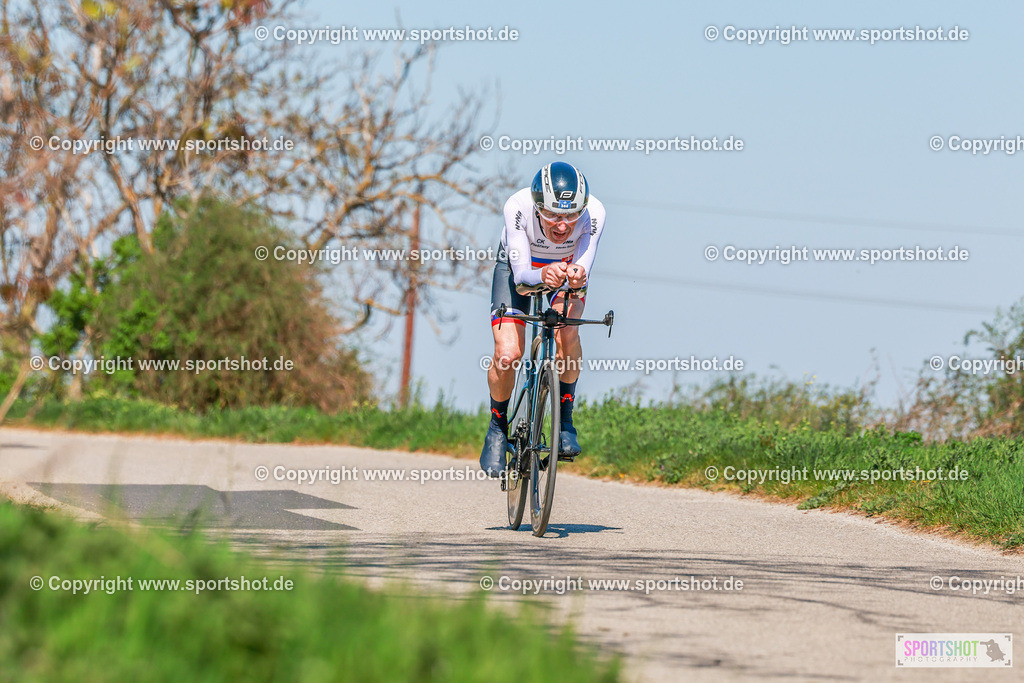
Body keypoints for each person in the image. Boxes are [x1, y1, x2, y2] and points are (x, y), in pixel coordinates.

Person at [480, 161, 605, 477]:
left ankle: (565, 420)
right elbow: (522, 279)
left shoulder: (594, 212)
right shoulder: (517, 206)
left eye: (571, 216)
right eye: (552, 215)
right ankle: (497, 426)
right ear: (537, 207)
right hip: (519, 269)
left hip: (564, 271)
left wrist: (577, 277)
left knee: (568, 332)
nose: (562, 226)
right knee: (508, 354)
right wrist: (542, 274)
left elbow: (583, 270)